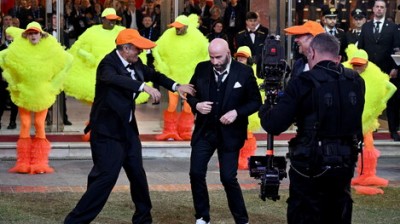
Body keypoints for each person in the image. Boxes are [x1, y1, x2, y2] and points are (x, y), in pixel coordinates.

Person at [64, 28, 196, 224]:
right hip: (107, 133)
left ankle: (143, 219)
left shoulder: (136, 63)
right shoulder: (107, 64)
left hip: (128, 130)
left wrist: (177, 86)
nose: (140, 52)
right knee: (104, 179)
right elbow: (115, 79)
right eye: (137, 49)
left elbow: (154, 75)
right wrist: (143, 87)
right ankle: (75, 221)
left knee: (138, 176)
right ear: (125, 48)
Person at [259, 33, 365, 224]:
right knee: (338, 212)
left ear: (312, 53)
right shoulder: (356, 80)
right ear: (338, 57)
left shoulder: (302, 82)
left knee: (304, 215)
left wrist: (267, 106)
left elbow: (274, 125)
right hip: (345, 163)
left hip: (310, 165)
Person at [187, 38, 262, 224]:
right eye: (211, 57)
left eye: (218, 57)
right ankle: (202, 217)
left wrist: (237, 112)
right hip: (205, 132)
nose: (214, 62)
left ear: (228, 53)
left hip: (230, 135)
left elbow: (256, 102)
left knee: (228, 178)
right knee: (196, 173)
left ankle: (241, 220)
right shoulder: (201, 68)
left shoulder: (244, 72)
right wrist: (197, 105)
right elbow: (190, 94)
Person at [0, 22, 73, 174]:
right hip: (25, 94)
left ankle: (40, 163)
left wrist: (54, 83)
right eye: (30, 33)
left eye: (36, 33)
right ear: (26, 35)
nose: (33, 35)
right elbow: (2, 56)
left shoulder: (50, 49)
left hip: (42, 95)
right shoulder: (19, 49)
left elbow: (69, 59)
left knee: (40, 124)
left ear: (41, 35)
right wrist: (13, 80)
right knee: (25, 125)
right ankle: (23, 162)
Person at [343, 45, 396, 195]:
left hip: (366, 118)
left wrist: (381, 102)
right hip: (347, 117)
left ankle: (367, 174)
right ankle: (348, 174)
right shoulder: (344, 70)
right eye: (355, 64)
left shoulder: (375, 74)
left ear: (366, 63)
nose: (357, 68)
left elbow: (392, 88)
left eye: (360, 65)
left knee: (368, 145)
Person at [152, 14, 209, 141]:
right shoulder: (168, 34)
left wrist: (201, 70)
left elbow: (207, 52)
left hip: (190, 79)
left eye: (179, 27)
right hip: (174, 77)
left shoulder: (196, 36)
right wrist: (161, 64)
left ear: (186, 27)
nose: (176, 29)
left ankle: (185, 130)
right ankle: (169, 130)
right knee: (172, 104)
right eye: (175, 27)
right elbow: (156, 48)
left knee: (188, 106)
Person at [358, 0, 400, 141]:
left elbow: (397, 49)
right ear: (373, 9)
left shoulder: (393, 28)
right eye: (377, 7)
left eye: (382, 7)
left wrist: (396, 67)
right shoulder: (366, 27)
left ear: (385, 10)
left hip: (388, 71)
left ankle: (393, 130)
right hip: (369, 71)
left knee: (391, 102)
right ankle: (367, 130)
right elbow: (361, 49)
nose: (379, 9)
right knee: (368, 100)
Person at [234, 46, 263, 170]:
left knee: (248, 135)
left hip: (249, 111)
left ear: (249, 59)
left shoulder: (256, 73)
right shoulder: (232, 71)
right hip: (235, 110)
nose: (240, 59)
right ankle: (235, 159)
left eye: (243, 57)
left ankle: (246, 159)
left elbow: (259, 94)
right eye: (239, 56)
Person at [0, 32, 18, 130]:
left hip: (14, 79)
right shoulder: (1, 47)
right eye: (7, 33)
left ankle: (12, 122)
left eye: (11, 33)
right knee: (1, 101)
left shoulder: (18, 48)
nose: (9, 35)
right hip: (3, 79)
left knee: (14, 102)